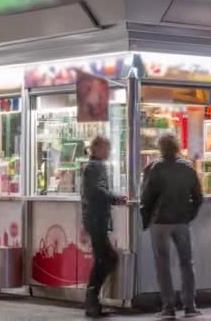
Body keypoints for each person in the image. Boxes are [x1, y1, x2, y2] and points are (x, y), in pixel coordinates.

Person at [141, 133, 204, 319]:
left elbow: (146, 197)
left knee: (163, 264)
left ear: (160, 147)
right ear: (177, 146)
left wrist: (147, 219)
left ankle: (168, 308)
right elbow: (199, 197)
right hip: (182, 222)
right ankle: (190, 306)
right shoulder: (188, 167)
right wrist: (188, 215)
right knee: (187, 262)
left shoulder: (155, 167)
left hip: (160, 222)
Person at [81, 135, 126, 318]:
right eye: (107, 147)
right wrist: (115, 198)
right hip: (96, 218)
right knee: (107, 258)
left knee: (104, 258)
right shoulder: (96, 167)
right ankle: (92, 301)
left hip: (94, 218)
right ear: (97, 147)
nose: (109, 151)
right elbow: (96, 192)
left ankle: (93, 301)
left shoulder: (93, 166)